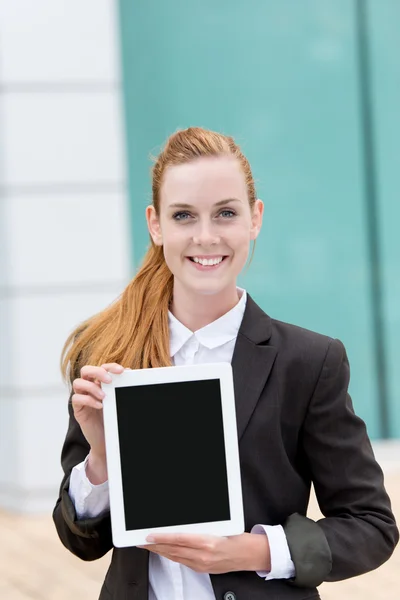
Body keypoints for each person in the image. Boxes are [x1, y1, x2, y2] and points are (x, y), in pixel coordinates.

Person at [53, 127, 398, 600]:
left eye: (226, 213)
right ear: (156, 225)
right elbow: (80, 542)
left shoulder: (309, 362)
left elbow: (371, 526)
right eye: (184, 216)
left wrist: (254, 552)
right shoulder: (109, 354)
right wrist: (101, 458)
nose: (206, 236)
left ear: (255, 219)